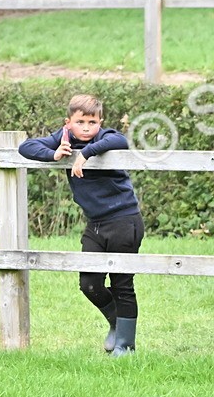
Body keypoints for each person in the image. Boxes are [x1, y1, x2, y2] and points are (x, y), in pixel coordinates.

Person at [18, 95, 144, 356]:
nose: (86, 127)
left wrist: (85, 153)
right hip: (95, 224)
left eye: (92, 122)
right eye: (80, 122)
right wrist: (54, 154)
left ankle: (125, 345)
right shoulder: (63, 137)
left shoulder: (103, 138)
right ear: (68, 123)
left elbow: (120, 140)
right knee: (89, 284)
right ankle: (115, 323)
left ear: (100, 122)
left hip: (124, 220)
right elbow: (26, 147)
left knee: (122, 283)